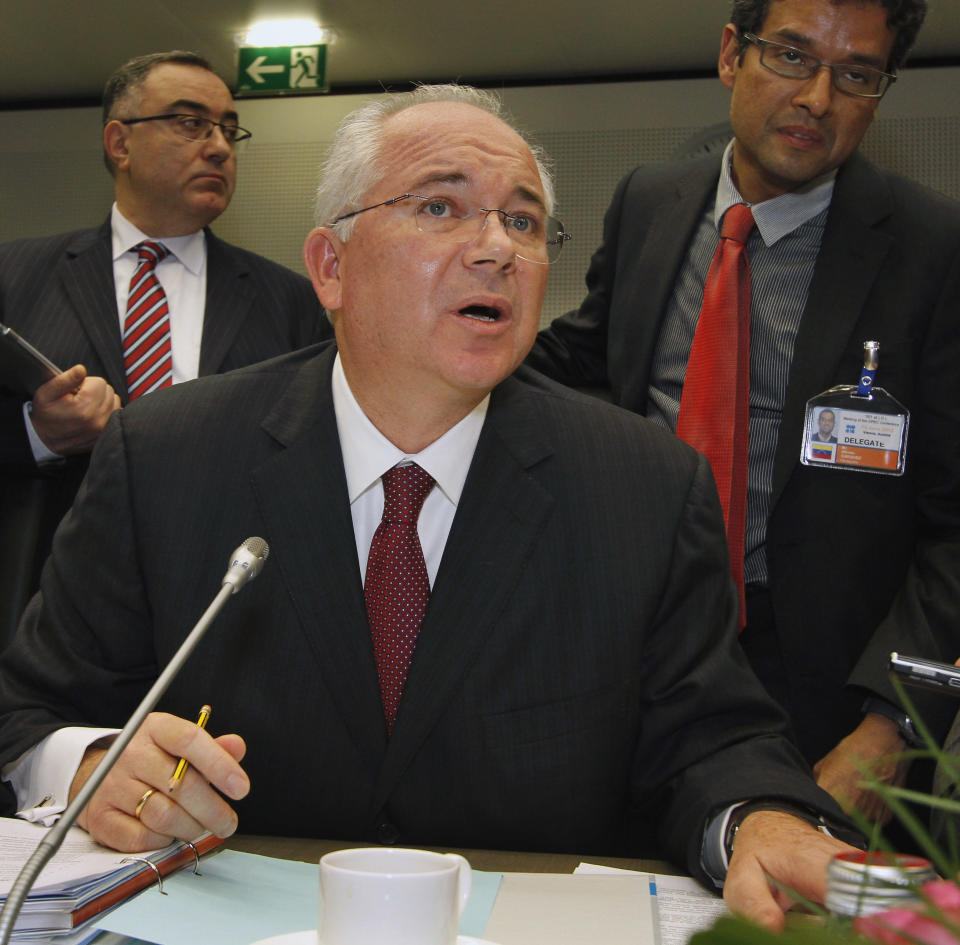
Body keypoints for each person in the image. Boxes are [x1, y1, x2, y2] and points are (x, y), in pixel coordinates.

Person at [0, 85, 856, 930]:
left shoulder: (645, 485)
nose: (497, 249)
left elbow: (714, 742)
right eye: (443, 206)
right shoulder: (166, 454)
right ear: (330, 268)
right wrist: (88, 769)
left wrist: (760, 821)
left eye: (523, 221)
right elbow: (25, 711)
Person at [527, 0, 960, 825]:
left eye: (857, 75)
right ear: (733, 54)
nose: (818, 99)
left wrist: (893, 722)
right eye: (792, 57)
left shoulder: (933, 251)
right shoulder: (650, 201)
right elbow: (577, 363)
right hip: (628, 650)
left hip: (825, 699)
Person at [0, 50, 331, 645]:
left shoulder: (295, 304)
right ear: (119, 143)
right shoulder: (15, 275)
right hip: (49, 613)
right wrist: (37, 435)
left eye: (229, 129)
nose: (219, 147)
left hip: (235, 617)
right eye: (189, 123)